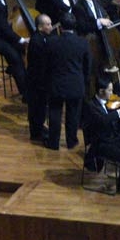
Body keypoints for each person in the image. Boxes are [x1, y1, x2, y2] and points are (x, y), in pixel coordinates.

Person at [45, 12, 91, 150]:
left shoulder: (52, 41)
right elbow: (87, 66)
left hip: (56, 83)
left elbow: (47, 64)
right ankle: (71, 141)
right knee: (73, 114)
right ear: (74, 26)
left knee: (55, 113)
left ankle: (53, 142)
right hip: (75, 83)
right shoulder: (83, 42)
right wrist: (84, 80)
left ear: (60, 26)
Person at [26, 14, 54, 142]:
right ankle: (36, 133)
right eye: (47, 24)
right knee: (36, 108)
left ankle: (39, 128)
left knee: (41, 108)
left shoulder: (43, 38)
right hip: (36, 81)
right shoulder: (37, 41)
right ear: (40, 27)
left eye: (50, 23)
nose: (51, 27)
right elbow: (41, 63)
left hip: (40, 80)